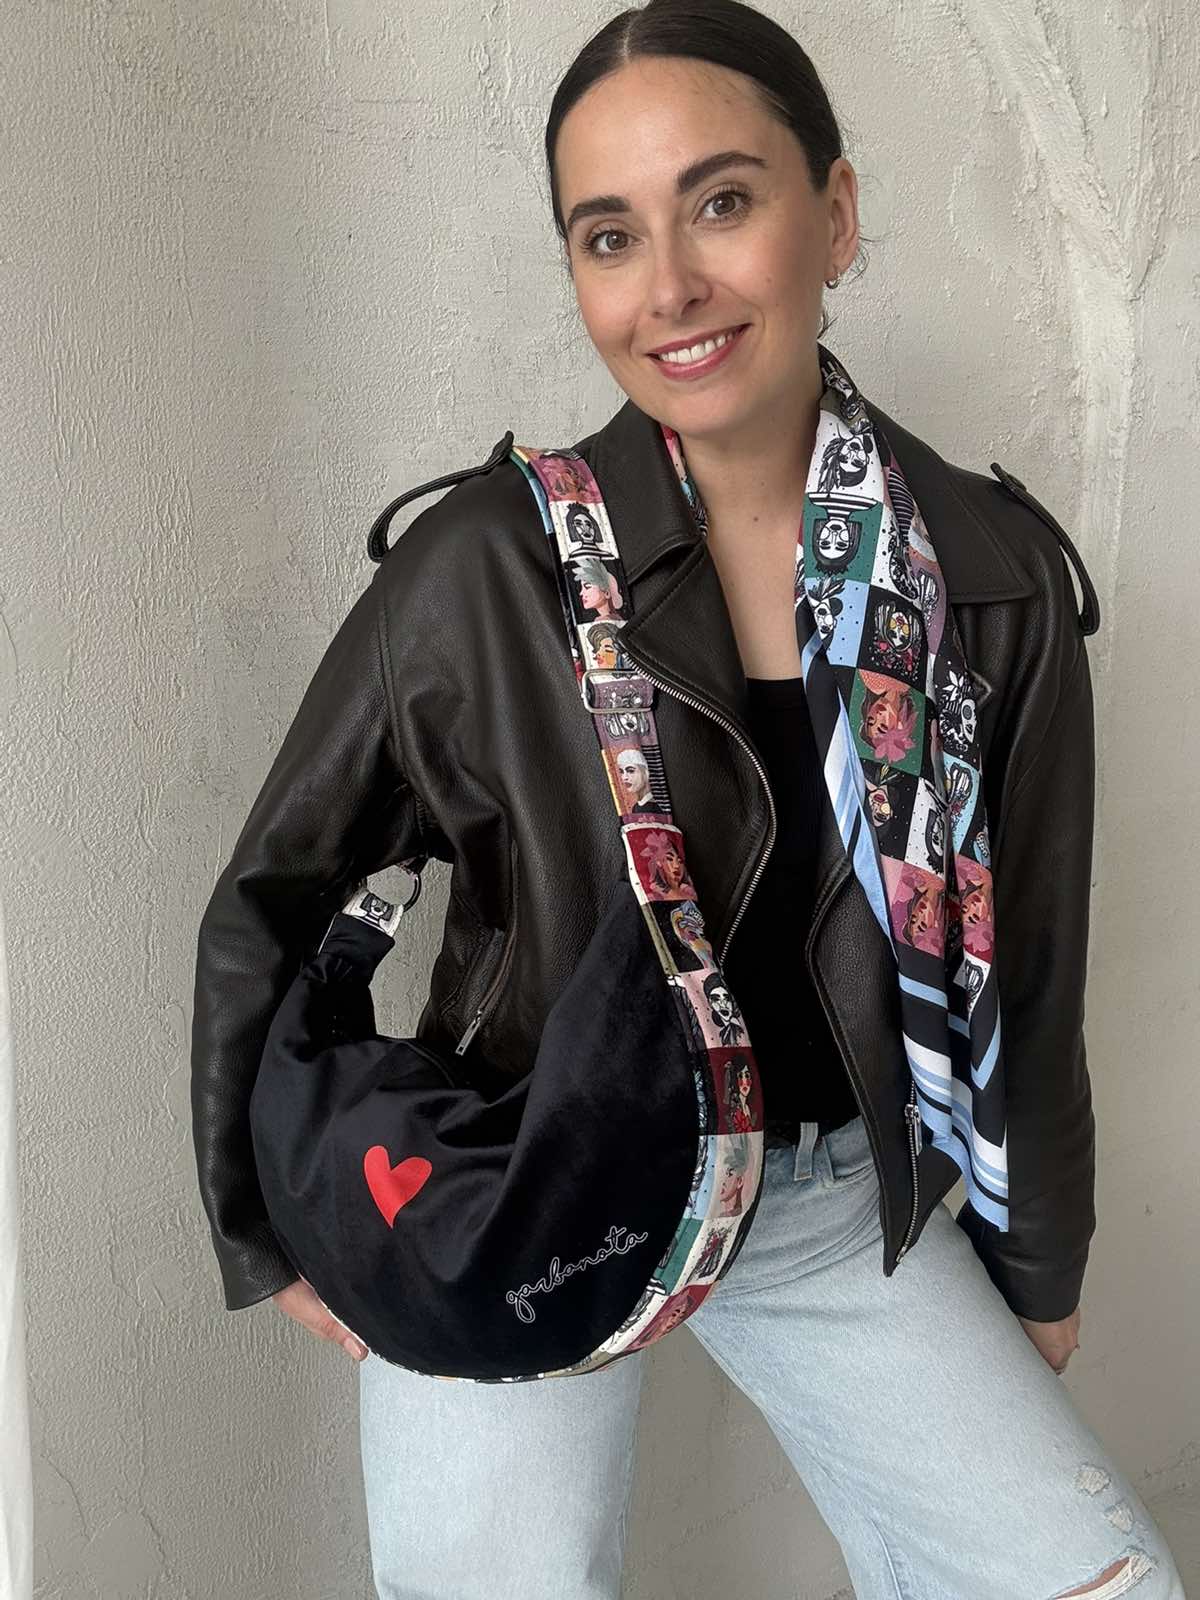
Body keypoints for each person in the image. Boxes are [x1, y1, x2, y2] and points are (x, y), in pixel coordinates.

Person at [188, 2, 1188, 1595]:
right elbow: (279, 895)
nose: (668, 287)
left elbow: (1036, 962)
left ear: (834, 215)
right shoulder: (483, 568)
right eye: (610, 236)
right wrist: (265, 1222)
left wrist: (1035, 1256)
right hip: (515, 1171)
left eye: (721, 202)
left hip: (826, 1191)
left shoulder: (990, 574)